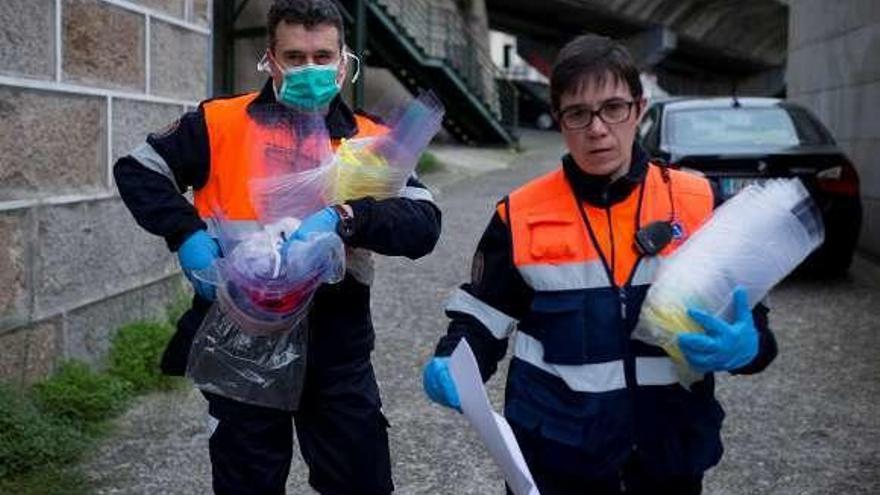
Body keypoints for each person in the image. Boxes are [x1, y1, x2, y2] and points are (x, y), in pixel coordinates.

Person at [421, 34, 777, 495]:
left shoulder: (699, 202)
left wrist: (748, 348)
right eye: (578, 113)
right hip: (553, 460)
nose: (598, 128)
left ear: (639, 108)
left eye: (613, 107)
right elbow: (482, 318)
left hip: (669, 456)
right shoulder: (519, 215)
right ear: (559, 120)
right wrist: (453, 359)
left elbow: (759, 329)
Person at [114, 1, 441, 493]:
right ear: (271, 58)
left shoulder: (371, 140)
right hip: (240, 341)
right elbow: (138, 170)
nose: (310, 69)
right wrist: (186, 235)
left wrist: (346, 216)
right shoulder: (219, 123)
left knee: (359, 481)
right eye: (295, 56)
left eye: (322, 56)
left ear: (343, 60)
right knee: (246, 483)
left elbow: (424, 223)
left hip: (336, 347)